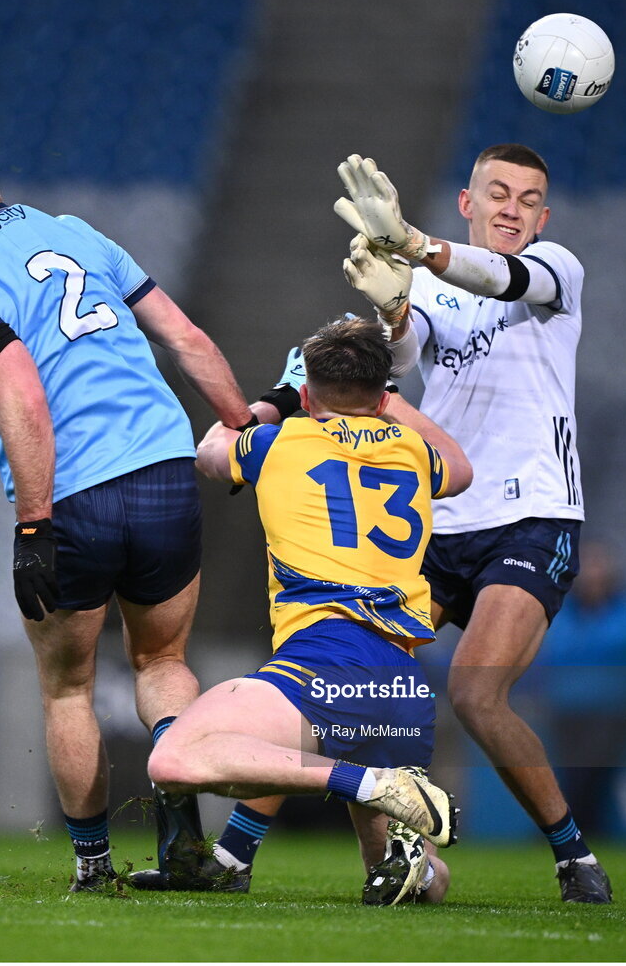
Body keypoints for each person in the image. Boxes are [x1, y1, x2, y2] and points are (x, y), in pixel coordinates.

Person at [0, 114, 255, 892]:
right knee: (162, 661)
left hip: (73, 496)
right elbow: (185, 336)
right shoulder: (75, 231)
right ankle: (183, 842)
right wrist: (239, 426)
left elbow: (21, 388)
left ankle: (94, 867)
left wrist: (33, 524)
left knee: (68, 686)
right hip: (163, 468)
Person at [331, 146, 612, 903]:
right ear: (469, 201)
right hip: (442, 519)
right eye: (499, 192)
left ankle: (573, 853)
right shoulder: (427, 282)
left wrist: (417, 244)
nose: (513, 207)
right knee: (351, 672)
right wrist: (392, 305)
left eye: (529, 197)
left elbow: (502, 277)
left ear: (544, 215)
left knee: (477, 690)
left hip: (533, 516)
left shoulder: (557, 267)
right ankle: (256, 852)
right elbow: (394, 365)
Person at [146, 315, 472, 905]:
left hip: (325, 660)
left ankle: (369, 783)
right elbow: (462, 466)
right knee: (408, 878)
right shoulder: (411, 451)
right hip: (398, 684)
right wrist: (389, 402)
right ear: (381, 396)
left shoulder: (282, 440)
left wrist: (276, 399)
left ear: (305, 393)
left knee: (174, 758)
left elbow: (210, 451)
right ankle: (413, 857)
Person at [539, 542, 626, 833]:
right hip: (567, 707)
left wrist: (584, 640)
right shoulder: (565, 605)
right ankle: (575, 828)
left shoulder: (625, 606)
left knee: (593, 773)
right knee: (572, 773)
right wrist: (593, 641)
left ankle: (573, 828)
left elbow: (622, 640)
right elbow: (557, 645)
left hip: (609, 708)